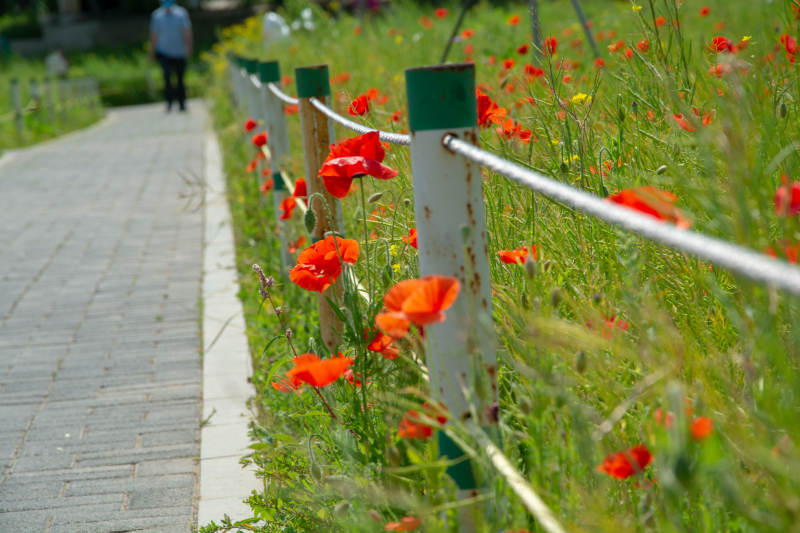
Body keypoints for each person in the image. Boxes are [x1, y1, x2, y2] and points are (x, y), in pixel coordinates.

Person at [149, 0, 193, 112]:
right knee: (167, 78)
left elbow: (187, 31)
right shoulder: (157, 15)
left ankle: (182, 103)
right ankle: (169, 103)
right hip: (164, 52)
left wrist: (188, 48)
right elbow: (154, 35)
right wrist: (152, 52)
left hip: (179, 52)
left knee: (180, 79)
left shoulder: (181, 13)